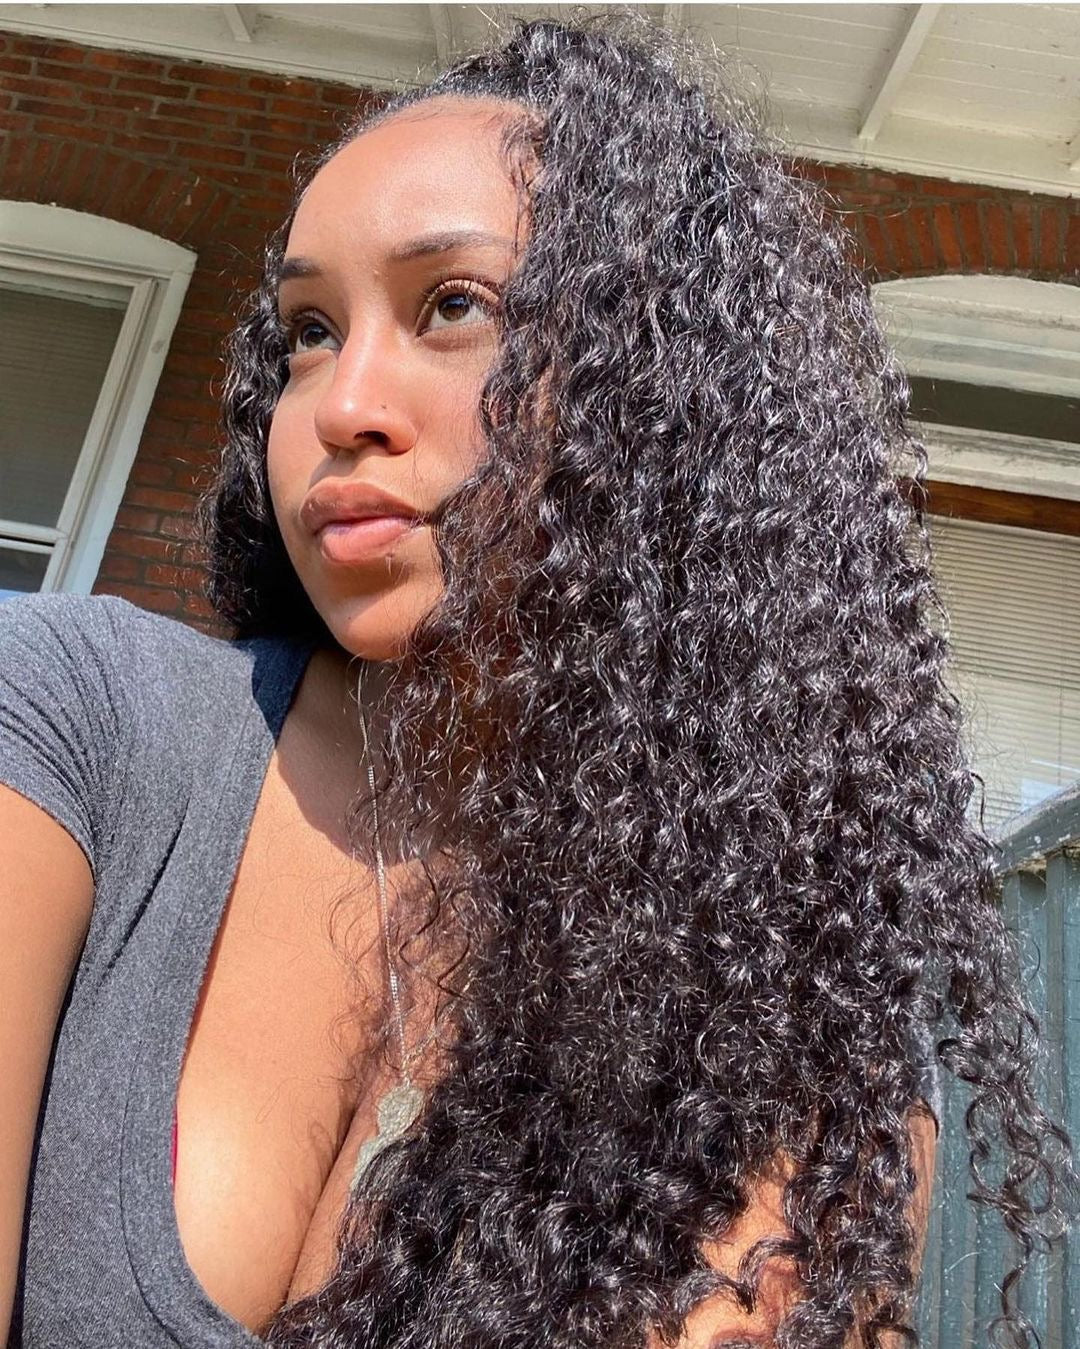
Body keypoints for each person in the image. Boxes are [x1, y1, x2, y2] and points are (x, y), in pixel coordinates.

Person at [1, 11, 1071, 1349]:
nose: (340, 403)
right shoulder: (79, 725)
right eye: (309, 330)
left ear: (663, 388)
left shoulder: (795, 1013)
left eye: (453, 305)